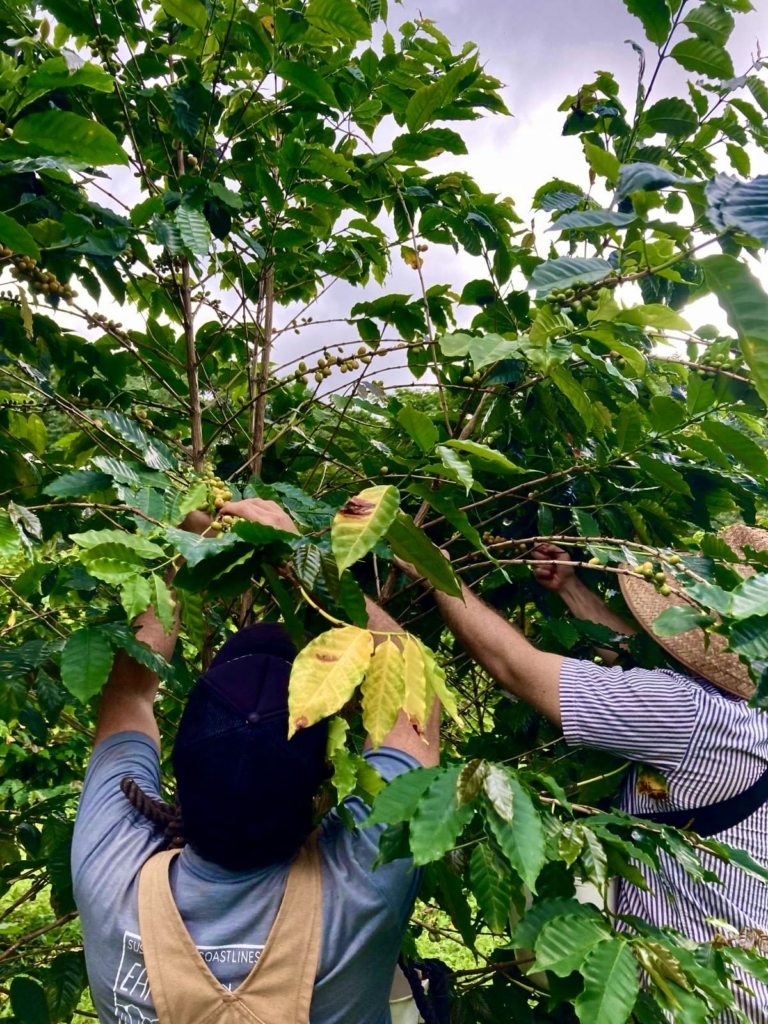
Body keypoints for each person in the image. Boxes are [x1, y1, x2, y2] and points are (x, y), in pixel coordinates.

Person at [72, 497, 440, 1024]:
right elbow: (415, 698)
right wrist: (299, 560)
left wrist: (186, 544)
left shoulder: (111, 869)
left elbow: (129, 694)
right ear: (322, 790)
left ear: (177, 767)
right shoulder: (363, 884)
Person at [408, 529, 768, 1022]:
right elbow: (641, 663)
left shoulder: (686, 713)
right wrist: (573, 588)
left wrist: (436, 573)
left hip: (700, 1003)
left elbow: (517, 668)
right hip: (743, 974)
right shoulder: (752, 706)